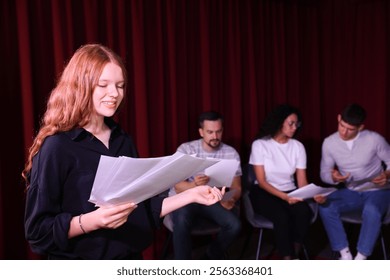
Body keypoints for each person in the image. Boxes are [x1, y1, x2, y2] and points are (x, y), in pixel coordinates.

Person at [22, 44, 225, 260]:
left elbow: (143, 208)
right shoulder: (57, 147)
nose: (114, 94)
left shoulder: (123, 140)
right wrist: (93, 221)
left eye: (120, 86)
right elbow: (38, 232)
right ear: (80, 86)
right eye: (103, 85)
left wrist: (192, 195)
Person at [319, 103, 390, 260]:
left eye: (350, 129)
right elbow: (324, 173)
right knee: (325, 206)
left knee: (371, 210)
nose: (344, 132)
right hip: (352, 191)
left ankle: (361, 258)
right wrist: (333, 177)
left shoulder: (374, 139)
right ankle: (345, 254)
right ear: (338, 118)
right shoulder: (329, 143)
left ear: (360, 127)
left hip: (377, 190)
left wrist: (387, 173)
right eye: (342, 125)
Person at [168, 111, 242, 259]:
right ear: (201, 132)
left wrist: (230, 199)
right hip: (185, 198)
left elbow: (237, 187)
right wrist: (195, 185)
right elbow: (177, 186)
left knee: (235, 225)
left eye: (218, 131)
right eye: (210, 132)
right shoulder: (186, 149)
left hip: (212, 199)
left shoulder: (230, 152)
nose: (215, 136)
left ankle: (210, 257)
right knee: (181, 222)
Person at [248, 104, 313, 260]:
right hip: (264, 192)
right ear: (279, 122)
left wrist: (314, 195)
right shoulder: (260, 145)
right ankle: (287, 258)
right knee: (281, 216)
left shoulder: (298, 147)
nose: (294, 127)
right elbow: (262, 181)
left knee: (304, 212)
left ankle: (294, 253)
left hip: (290, 191)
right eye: (291, 123)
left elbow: (302, 182)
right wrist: (284, 197)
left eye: (297, 124)